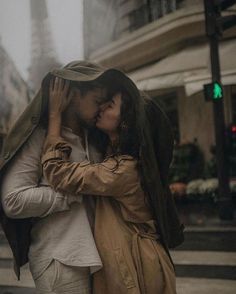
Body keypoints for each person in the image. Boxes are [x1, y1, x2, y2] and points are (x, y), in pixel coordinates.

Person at [41, 76, 184, 294]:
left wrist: (54, 118)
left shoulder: (123, 171)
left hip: (138, 263)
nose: (101, 108)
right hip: (141, 258)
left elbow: (58, 173)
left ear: (125, 120)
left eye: (110, 105)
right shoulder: (119, 158)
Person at [0, 61, 129, 293]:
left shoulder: (95, 139)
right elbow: (12, 200)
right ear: (70, 94)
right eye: (97, 102)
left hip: (101, 258)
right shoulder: (39, 137)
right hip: (61, 258)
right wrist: (72, 195)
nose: (101, 109)